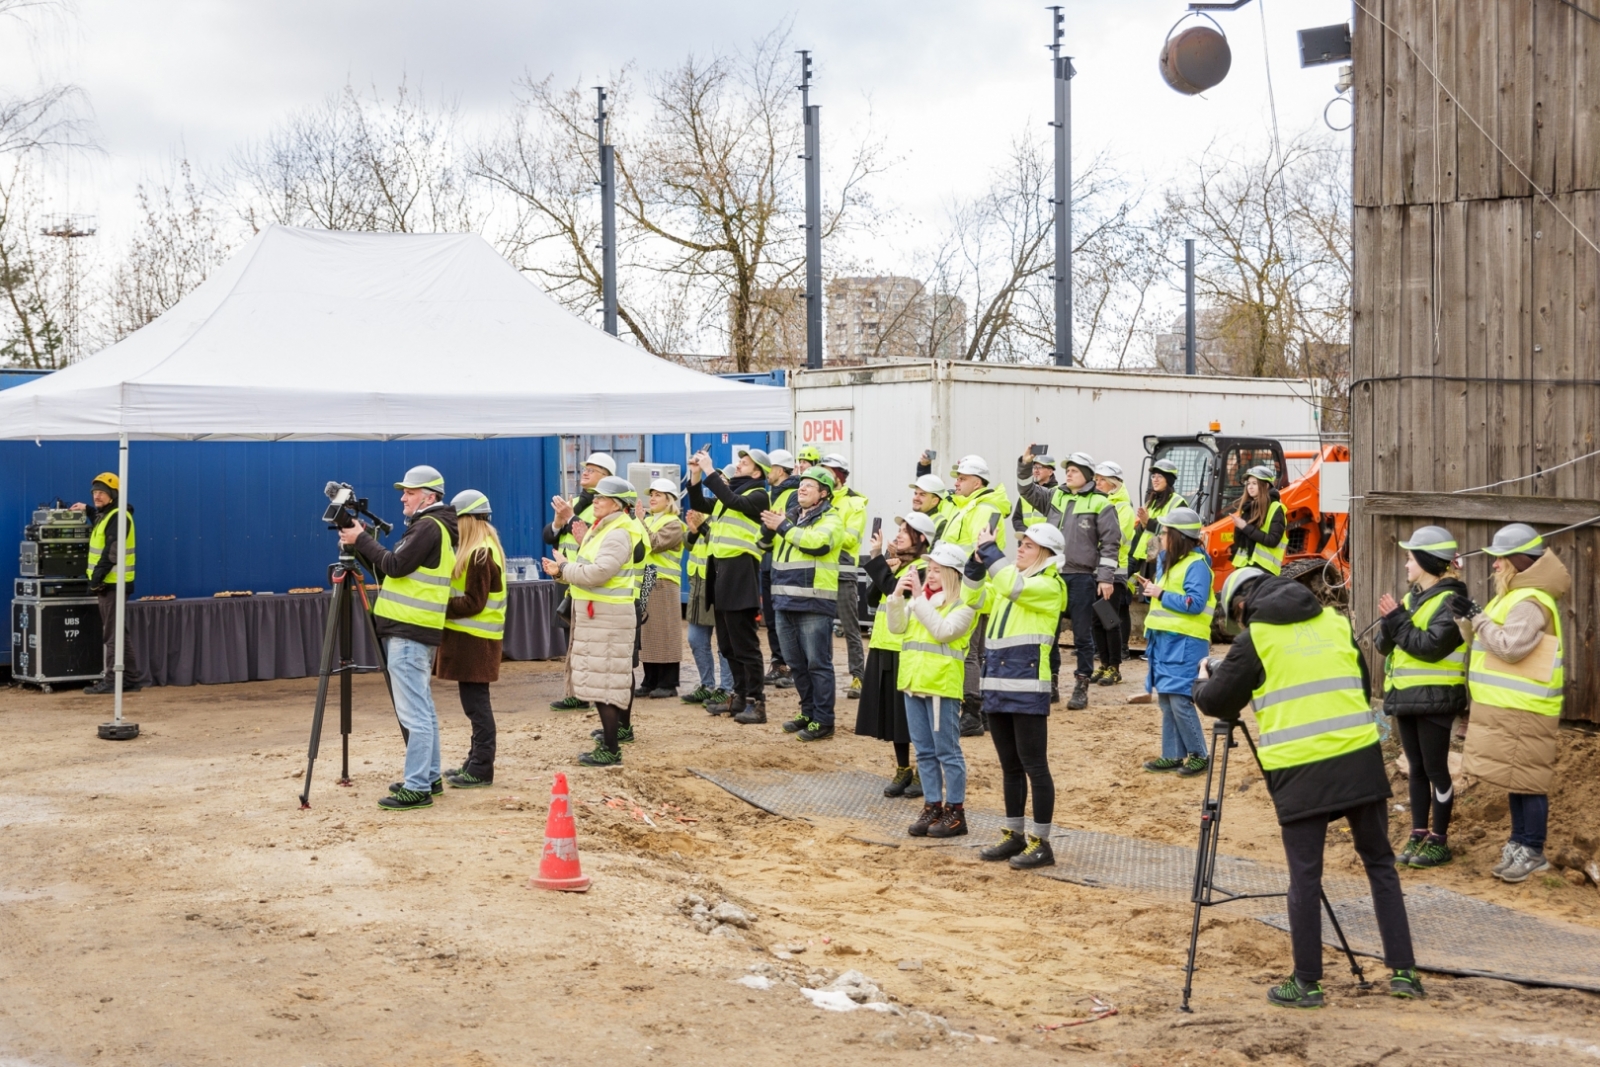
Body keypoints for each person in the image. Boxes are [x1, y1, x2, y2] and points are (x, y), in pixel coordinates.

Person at [1195, 567, 1422, 1008]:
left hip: (1300, 771)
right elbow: (1358, 684)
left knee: (1304, 875)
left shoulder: (1255, 639)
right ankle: (1405, 972)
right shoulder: (1336, 622)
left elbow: (1218, 701)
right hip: (1359, 759)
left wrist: (1204, 678)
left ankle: (1307, 982)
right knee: (1380, 864)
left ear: (1242, 606)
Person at [341, 464, 459, 811]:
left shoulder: (428, 526)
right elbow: (388, 569)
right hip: (414, 629)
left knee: (415, 713)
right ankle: (429, 776)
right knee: (423, 709)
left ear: (429, 496)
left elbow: (393, 566)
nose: (403, 498)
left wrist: (361, 538)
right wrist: (359, 542)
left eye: (408, 492)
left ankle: (418, 785)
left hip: (409, 631)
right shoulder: (432, 527)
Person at [1459, 523, 1570, 884]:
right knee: (1516, 778)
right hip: (1513, 705)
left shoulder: (1531, 601)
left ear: (1522, 561)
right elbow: (1487, 637)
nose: (1495, 564)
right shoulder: (1514, 596)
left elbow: (1509, 647)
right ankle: (1519, 842)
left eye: (1501, 558)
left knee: (1529, 781)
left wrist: (1477, 617)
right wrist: (1468, 617)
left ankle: (1532, 849)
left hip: (1527, 708)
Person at [968, 522, 1068, 869]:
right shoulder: (1014, 577)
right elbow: (974, 598)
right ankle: (1014, 836)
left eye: (1028, 545)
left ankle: (1042, 843)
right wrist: (975, 565)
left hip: (1026, 688)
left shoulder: (1049, 585)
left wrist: (992, 553)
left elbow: (1010, 586)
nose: (1020, 548)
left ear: (1046, 553)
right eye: (1020, 543)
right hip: (997, 683)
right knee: (1010, 767)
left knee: (1034, 767)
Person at [1374, 526, 1469, 869]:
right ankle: (1418, 832)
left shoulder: (1452, 601)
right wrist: (1390, 623)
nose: (1405, 564)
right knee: (1416, 769)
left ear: (1427, 561)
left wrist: (1397, 621)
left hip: (1436, 699)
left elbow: (1429, 647)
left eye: (1410, 558)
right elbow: (1385, 646)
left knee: (1435, 770)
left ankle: (1439, 840)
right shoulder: (1412, 598)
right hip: (1407, 696)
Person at [544, 476, 645, 766]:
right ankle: (611, 740)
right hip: (600, 614)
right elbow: (591, 568)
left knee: (606, 684)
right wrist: (561, 572)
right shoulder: (605, 529)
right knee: (604, 681)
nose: (595, 501)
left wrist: (564, 567)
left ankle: (612, 749)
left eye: (602, 498)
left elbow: (599, 573)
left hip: (608, 616)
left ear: (617, 504)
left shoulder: (617, 533)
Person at [888, 540, 985, 839]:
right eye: (928, 569)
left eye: (937, 570)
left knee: (947, 751)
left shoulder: (963, 605)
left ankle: (956, 811)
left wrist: (917, 599)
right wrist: (896, 597)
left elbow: (944, 632)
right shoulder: (920, 601)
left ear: (953, 574)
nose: (929, 575)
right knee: (925, 751)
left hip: (942, 685)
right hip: (913, 682)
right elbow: (896, 628)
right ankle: (932, 805)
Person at [1017, 449, 1120, 711]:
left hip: (1082, 577)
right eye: (1067, 471)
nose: (1068, 474)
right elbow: (1027, 490)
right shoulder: (1056, 495)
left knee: (1082, 636)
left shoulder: (1101, 503)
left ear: (1085, 475)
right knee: (1049, 633)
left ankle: (1081, 685)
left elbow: (1110, 544)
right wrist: (1025, 465)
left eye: (1073, 470)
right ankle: (1051, 683)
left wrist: (1105, 578)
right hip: (1052, 575)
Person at [759, 467, 844, 735]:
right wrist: (770, 529)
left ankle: (824, 720)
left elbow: (817, 544)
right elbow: (763, 547)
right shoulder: (793, 517)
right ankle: (808, 714)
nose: (802, 489)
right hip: (784, 603)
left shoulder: (831, 519)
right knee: (796, 665)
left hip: (813, 604)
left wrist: (783, 526)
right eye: (802, 484)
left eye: (810, 485)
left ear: (823, 494)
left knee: (817, 664)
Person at [688, 447, 771, 721]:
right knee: (727, 645)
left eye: (744, 463)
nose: (739, 464)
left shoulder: (758, 495)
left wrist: (711, 470)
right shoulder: (731, 497)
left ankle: (756, 702)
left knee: (745, 645)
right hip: (721, 573)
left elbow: (732, 500)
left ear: (757, 472)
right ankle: (739, 695)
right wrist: (695, 473)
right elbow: (699, 503)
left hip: (741, 573)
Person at [855, 512, 934, 797]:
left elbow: (895, 591)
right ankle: (903, 769)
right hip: (883, 646)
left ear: (922, 539)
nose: (897, 535)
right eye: (898, 529)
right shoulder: (898, 568)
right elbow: (873, 597)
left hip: (907, 650)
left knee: (912, 717)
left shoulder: (925, 570)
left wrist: (876, 558)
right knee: (892, 716)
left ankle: (926, 772)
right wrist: (885, 566)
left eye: (905, 531)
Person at [1136, 507, 1215, 777]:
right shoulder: (1170, 561)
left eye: (1167, 532)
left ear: (1180, 536)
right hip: (1166, 640)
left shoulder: (1197, 565)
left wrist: (1160, 592)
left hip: (1187, 642)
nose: (1163, 536)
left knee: (1180, 700)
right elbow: (1166, 599)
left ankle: (1199, 755)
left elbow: (1194, 604)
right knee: (1167, 700)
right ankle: (1172, 754)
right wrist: (1152, 591)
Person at [437, 489, 505, 789]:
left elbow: (474, 602)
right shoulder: (485, 546)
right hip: (475, 641)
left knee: (477, 707)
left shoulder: (479, 553)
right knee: (475, 705)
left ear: (468, 520)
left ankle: (480, 768)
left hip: (476, 642)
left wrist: (437, 606)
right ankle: (474, 762)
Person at [942, 455, 1011, 737]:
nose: (956, 482)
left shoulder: (981, 509)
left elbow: (975, 552)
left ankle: (972, 712)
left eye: (961, 477)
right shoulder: (969, 507)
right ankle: (980, 713)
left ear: (977, 481)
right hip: (969, 587)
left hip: (970, 588)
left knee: (967, 652)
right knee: (974, 652)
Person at [545, 451, 617, 711]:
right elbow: (549, 535)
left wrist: (569, 517)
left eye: (593, 469)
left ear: (606, 477)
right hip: (565, 576)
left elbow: (594, 541)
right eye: (585, 468)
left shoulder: (605, 507)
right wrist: (557, 521)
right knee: (570, 637)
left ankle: (584, 693)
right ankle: (576, 692)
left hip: (585, 578)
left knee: (584, 639)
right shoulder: (574, 501)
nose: (585, 472)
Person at [73, 473, 142, 694]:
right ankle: (130, 678)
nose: (97, 496)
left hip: (112, 584)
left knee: (112, 635)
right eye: (94, 493)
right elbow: (100, 518)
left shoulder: (118, 517)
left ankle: (113, 680)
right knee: (119, 632)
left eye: (101, 492)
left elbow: (111, 552)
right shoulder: (109, 515)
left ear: (113, 494)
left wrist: (96, 580)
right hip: (110, 583)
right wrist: (86, 508)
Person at [821, 454, 869, 701]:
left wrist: (826, 532)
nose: (824, 476)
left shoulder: (855, 502)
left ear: (839, 474)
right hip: (820, 572)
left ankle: (858, 676)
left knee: (850, 627)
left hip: (843, 571)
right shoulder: (822, 498)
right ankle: (823, 677)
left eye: (828, 471)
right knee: (820, 628)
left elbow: (851, 538)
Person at [636, 479, 686, 699]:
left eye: (658, 495)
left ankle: (668, 682)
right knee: (648, 633)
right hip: (647, 579)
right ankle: (650, 680)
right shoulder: (649, 520)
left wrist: (639, 522)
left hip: (664, 581)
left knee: (665, 632)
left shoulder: (674, 523)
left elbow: (654, 543)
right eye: (651, 494)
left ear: (669, 500)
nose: (652, 498)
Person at [680, 508, 734, 706]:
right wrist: (694, 530)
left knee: (724, 644)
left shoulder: (729, 518)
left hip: (719, 584)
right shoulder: (703, 516)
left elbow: (720, 542)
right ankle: (707, 685)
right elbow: (687, 544)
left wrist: (702, 527)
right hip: (698, 585)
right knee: (695, 639)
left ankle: (727, 688)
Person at [1090, 461, 1137, 685]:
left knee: (1109, 621)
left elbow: (1115, 539)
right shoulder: (1100, 503)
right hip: (1097, 571)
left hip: (1114, 574)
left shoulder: (1123, 508)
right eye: (1096, 479)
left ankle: (1115, 668)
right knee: (1097, 621)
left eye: (1101, 480)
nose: (1096, 483)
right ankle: (1104, 664)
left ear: (1113, 484)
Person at [762, 449, 801, 689]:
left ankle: (790, 667)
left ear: (779, 470)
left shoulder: (793, 495)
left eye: (769, 468)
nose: (767, 472)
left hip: (784, 565)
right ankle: (778, 663)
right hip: (767, 562)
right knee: (771, 618)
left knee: (785, 619)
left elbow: (789, 524)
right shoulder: (771, 495)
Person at [1231, 464, 1286, 576]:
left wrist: (1245, 527)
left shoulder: (1275, 508)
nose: (1250, 487)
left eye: (1254, 484)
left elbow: (1272, 540)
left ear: (1265, 486)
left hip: (1264, 571)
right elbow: (1240, 542)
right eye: (1248, 484)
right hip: (1244, 567)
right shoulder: (1248, 508)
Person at [1011, 454, 1057, 532]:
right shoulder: (1026, 493)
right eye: (1034, 467)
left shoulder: (1057, 493)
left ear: (1050, 471)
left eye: (1039, 467)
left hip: (1045, 541)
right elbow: (1016, 519)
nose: (1036, 470)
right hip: (1027, 540)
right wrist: (1028, 534)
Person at [908, 472, 957, 542]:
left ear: (935, 501)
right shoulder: (910, 519)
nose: (916, 498)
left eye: (922, 495)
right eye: (916, 493)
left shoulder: (942, 524)